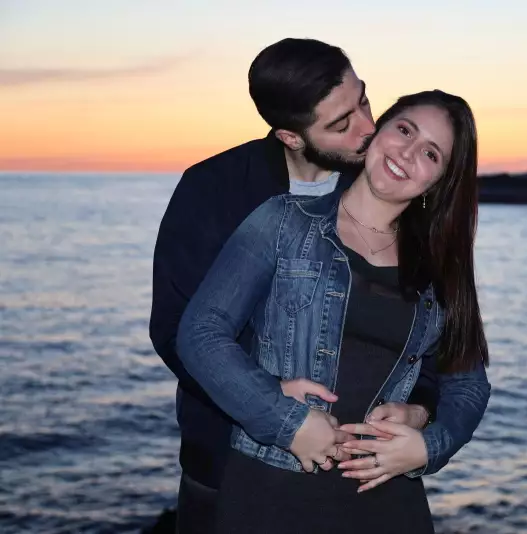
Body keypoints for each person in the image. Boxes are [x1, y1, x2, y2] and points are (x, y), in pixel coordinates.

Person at [149, 38, 439, 533]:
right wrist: (268, 402)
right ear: (290, 136)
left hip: (362, 484)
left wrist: (421, 411)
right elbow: (177, 329)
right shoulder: (212, 189)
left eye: (363, 101)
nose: (370, 130)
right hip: (225, 466)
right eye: (342, 123)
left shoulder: (390, 193)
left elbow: (427, 339)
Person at [177, 89, 491, 533]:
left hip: (386, 503)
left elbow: (469, 386)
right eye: (404, 130)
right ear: (378, 128)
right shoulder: (283, 221)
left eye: (431, 154)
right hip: (272, 490)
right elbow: (201, 333)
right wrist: (287, 422)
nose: (407, 152)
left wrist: (427, 445)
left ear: (439, 181)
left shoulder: (441, 269)